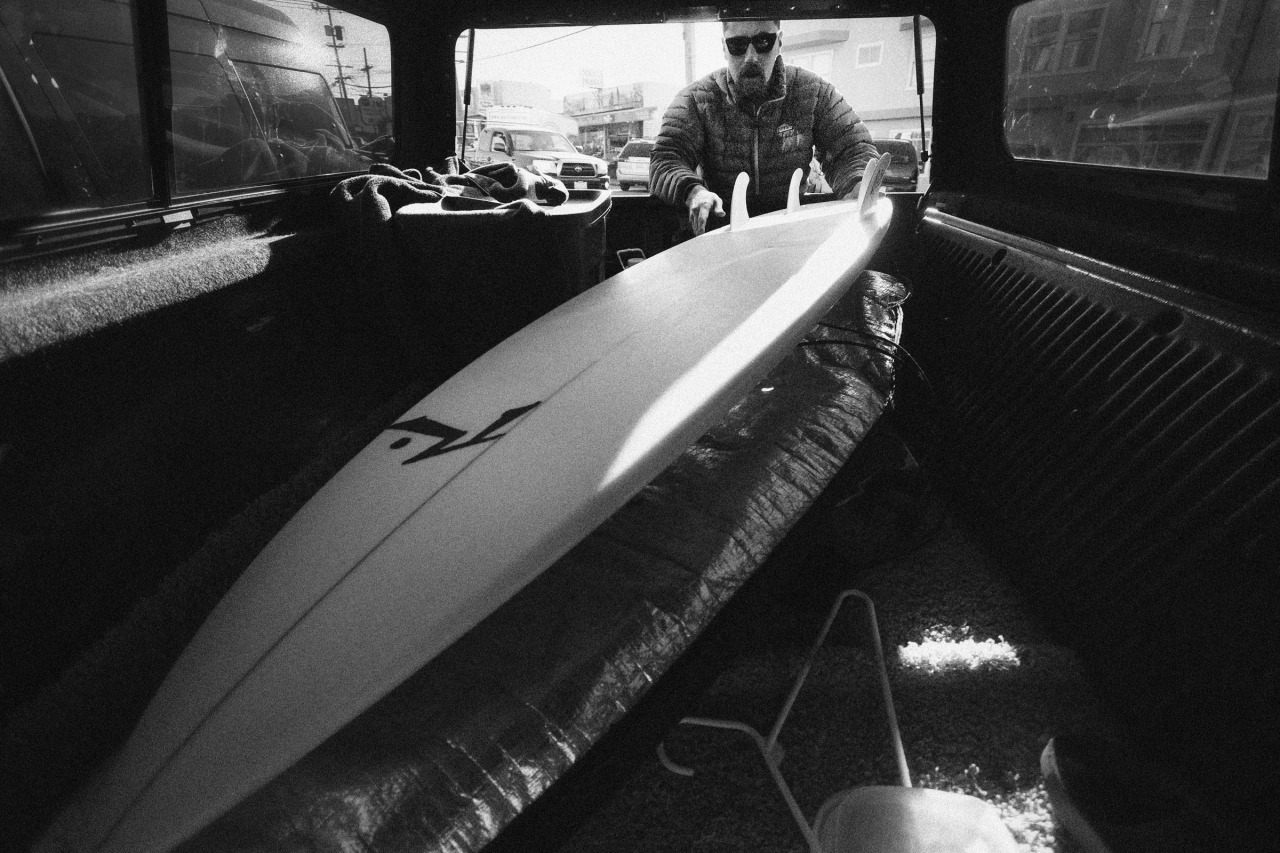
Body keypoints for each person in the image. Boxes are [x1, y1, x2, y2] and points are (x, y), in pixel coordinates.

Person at [650, 19, 879, 236]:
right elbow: (666, 158)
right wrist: (693, 191)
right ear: (724, 48)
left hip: (789, 231)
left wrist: (857, 184)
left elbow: (852, 147)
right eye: (737, 44)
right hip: (720, 233)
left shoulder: (813, 92)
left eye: (763, 42)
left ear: (779, 41)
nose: (751, 57)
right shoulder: (696, 99)